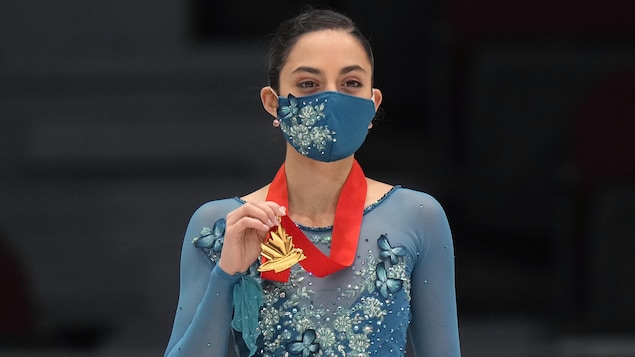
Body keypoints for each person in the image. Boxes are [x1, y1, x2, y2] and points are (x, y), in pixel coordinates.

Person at [164, 7, 461, 357]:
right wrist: (225, 275)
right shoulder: (222, 225)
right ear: (273, 103)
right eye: (308, 84)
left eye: (351, 83)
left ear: (372, 103)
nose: (331, 98)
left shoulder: (420, 217)